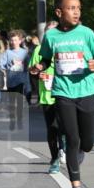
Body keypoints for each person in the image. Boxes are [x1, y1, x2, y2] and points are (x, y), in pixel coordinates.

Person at [30, 0, 94, 188]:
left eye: (78, 8)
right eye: (71, 8)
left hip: (87, 91)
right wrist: (39, 68)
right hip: (62, 92)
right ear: (59, 12)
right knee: (71, 139)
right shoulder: (51, 37)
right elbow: (44, 59)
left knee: (86, 142)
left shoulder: (86, 33)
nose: (76, 12)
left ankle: (82, 148)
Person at [29, 21, 64, 173]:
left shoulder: (64, 48)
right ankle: (55, 158)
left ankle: (64, 148)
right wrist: (38, 75)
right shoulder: (38, 50)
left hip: (64, 94)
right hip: (47, 95)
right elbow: (31, 71)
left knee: (63, 126)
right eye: (48, 32)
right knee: (52, 128)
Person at [0, 29, 29, 129]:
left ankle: (19, 121)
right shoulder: (7, 53)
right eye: (11, 40)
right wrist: (10, 64)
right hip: (11, 81)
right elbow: (2, 66)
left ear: (20, 41)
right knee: (11, 103)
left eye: (15, 40)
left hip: (21, 81)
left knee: (20, 102)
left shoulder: (24, 53)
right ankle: (12, 121)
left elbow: (29, 65)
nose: (13, 42)